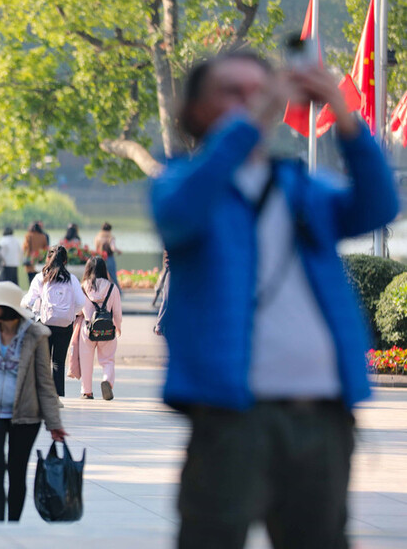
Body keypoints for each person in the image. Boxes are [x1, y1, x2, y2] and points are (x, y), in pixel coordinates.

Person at [151, 52, 399, 548]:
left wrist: (344, 119)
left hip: (321, 415)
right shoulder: (181, 185)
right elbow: (180, 214)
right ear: (196, 110)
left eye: (261, 91)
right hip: (230, 416)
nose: (253, 103)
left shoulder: (303, 188)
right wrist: (248, 124)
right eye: (233, 92)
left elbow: (378, 206)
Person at [0, 281, 67, 522]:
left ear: (8, 309)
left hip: (25, 416)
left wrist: (54, 423)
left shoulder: (36, 336)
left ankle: (13, 525)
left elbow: (45, 382)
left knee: (17, 473)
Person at [22, 246, 84, 397]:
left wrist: (30, 307)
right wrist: (70, 313)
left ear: (48, 259)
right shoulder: (72, 279)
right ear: (65, 260)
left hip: (44, 324)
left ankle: (43, 394)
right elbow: (81, 302)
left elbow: (28, 301)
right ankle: (57, 396)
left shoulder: (40, 277)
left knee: (43, 361)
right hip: (65, 325)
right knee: (58, 362)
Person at [72, 256, 122, 400]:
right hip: (108, 329)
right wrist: (118, 327)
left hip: (87, 329)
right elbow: (117, 312)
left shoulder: (83, 287)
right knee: (108, 360)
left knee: (86, 361)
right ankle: (107, 380)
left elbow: (77, 310)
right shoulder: (112, 287)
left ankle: (87, 391)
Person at [93, 223, 122, 294]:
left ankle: (99, 291)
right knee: (113, 275)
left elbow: (96, 248)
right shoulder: (110, 237)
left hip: (100, 258)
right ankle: (118, 291)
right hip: (109, 257)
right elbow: (113, 248)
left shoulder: (98, 237)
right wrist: (118, 251)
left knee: (99, 276)